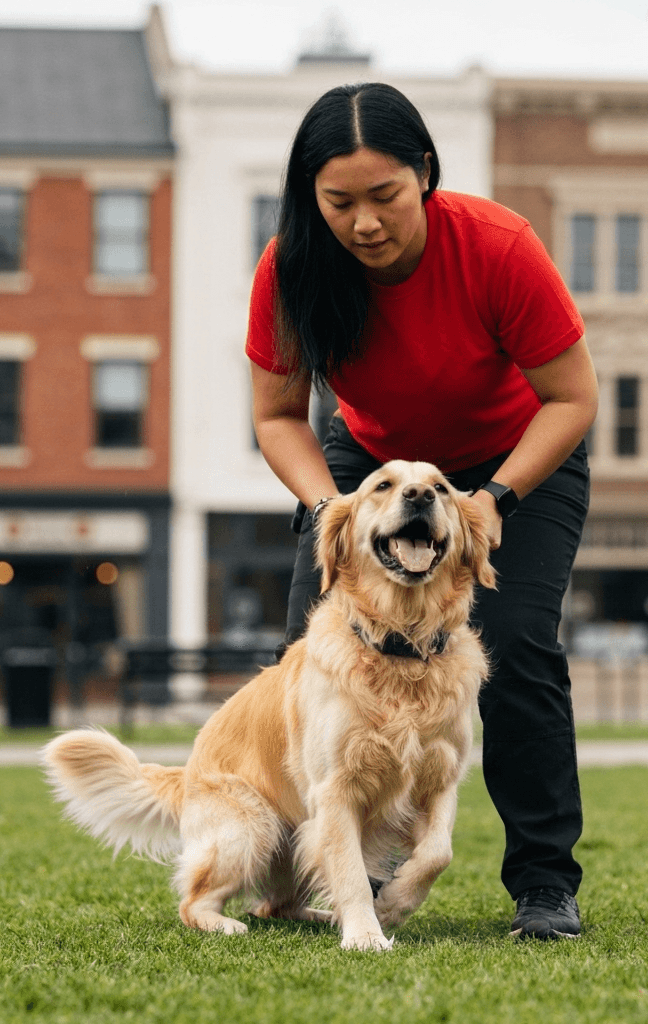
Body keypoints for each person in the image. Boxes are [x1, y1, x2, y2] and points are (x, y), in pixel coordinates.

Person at [246, 82, 599, 940]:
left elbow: (574, 397)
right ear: (310, 198)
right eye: (339, 202)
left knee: (514, 647)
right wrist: (331, 509)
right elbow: (277, 415)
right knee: (313, 648)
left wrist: (494, 499)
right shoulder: (293, 268)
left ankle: (545, 885)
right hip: (370, 464)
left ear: (426, 175)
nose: (364, 222)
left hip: (515, 460)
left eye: (385, 197)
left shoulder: (498, 248)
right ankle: (305, 868)